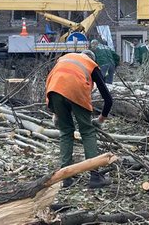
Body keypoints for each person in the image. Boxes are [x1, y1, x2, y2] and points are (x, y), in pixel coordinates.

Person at [45, 49, 114, 189]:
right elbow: (108, 98)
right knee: (87, 131)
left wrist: (55, 112)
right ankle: (95, 176)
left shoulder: (64, 58)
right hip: (76, 90)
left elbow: (52, 81)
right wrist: (100, 120)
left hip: (54, 91)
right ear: (92, 59)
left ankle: (66, 178)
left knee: (65, 131)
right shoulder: (91, 64)